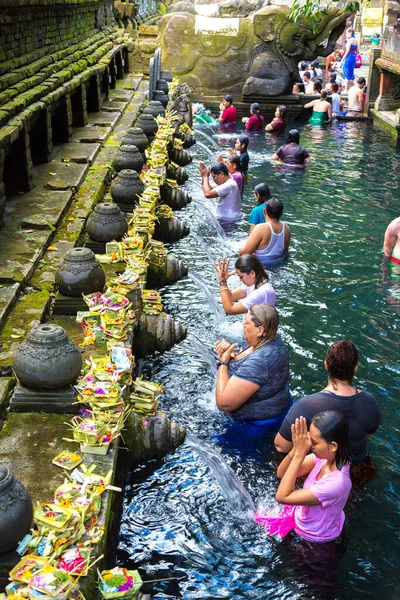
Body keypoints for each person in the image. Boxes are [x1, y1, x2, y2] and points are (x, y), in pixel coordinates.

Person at [274, 340, 381, 477]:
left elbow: (281, 446)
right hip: (359, 469)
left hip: (322, 472)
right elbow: (368, 434)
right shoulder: (370, 401)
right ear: (355, 368)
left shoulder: (307, 405)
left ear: (326, 365)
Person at [257, 412, 352, 544]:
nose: (309, 445)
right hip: (307, 518)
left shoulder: (336, 484)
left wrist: (300, 454)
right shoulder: (326, 459)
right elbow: (282, 473)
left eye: (313, 442)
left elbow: (282, 497)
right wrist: (296, 449)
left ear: (333, 446)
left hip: (313, 540)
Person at [215, 304, 290, 420]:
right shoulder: (273, 342)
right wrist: (232, 355)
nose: (242, 325)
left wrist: (223, 362)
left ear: (260, 330)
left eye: (246, 322)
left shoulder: (260, 361)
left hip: (251, 425)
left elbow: (224, 403)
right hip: (277, 408)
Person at [238, 198, 291, 266]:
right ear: (282, 213)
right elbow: (285, 251)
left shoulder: (260, 228)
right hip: (278, 265)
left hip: (261, 267)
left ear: (264, 211)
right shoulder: (286, 228)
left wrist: (237, 250)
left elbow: (245, 254)